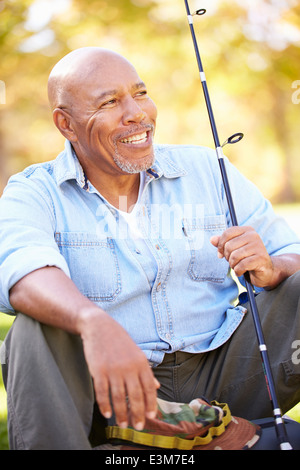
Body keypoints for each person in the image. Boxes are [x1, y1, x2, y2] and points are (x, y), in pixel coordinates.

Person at [0, 47, 299, 450]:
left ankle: (201, 427)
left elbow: (291, 248)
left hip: (227, 372)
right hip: (111, 395)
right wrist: (94, 322)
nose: (137, 113)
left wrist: (273, 265)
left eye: (140, 94)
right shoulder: (35, 191)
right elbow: (21, 270)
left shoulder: (207, 169)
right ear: (66, 124)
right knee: (33, 328)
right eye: (109, 102)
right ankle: (157, 436)